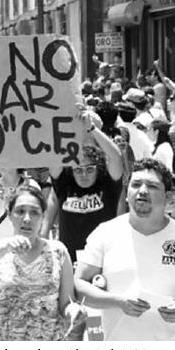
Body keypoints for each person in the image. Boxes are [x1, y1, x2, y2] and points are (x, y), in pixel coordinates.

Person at [74, 158, 175, 341]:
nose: (142, 191)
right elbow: (79, 286)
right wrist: (118, 302)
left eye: (152, 186)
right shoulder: (105, 233)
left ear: (168, 197)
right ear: (126, 194)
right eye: (136, 184)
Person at [0, 185, 86, 341]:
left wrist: (74, 310)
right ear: (9, 214)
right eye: (20, 211)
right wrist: (4, 248)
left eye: (34, 212)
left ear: (43, 216)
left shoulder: (58, 251)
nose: (27, 219)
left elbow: (66, 303)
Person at [49, 109, 124, 263]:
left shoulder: (107, 180)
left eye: (89, 170)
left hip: (102, 259)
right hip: (68, 259)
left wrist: (92, 129)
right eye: (78, 170)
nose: (84, 174)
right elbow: (54, 156)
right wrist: (70, 129)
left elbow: (116, 156)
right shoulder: (65, 180)